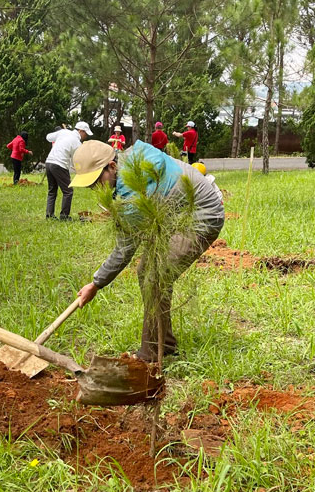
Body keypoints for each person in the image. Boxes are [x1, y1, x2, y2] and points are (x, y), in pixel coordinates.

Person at [70, 139, 224, 362]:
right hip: (176, 216)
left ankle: (151, 353)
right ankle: (165, 343)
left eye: (96, 180)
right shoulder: (129, 164)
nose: (95, 188)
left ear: (112, 166)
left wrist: (95, 284)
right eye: (89, 184)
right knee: (146, 273)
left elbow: (124, 250)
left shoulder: (134, 192)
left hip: (202, 215)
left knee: (155, 278)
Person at [44, 121, 92, 220]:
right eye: (85, 133)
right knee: (68, 191)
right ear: (81, 131)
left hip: (49, 162)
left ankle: (49, 215)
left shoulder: (64, 132)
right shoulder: (77, 144)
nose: (86, 136)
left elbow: (48, 137)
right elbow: (76, 160)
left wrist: (60, 135)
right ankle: (64, 216)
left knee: (52, 191)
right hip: (60, 164)